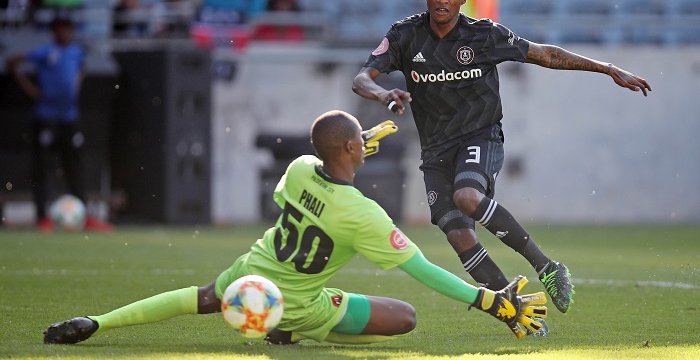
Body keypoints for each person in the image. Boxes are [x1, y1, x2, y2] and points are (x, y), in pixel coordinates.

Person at [42, 110, 548, 346]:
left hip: (254, 269)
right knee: (405, 318)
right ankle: (288, 324)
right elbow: (422, 270)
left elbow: (323, 161)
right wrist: (488, 299)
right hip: (298, 300)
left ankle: (96, 323)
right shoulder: (364, 214)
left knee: (199, 297)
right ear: (353, 151)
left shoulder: (301, 167)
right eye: (358, 143)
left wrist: (355, 140)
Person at [352, 0, 652, 315]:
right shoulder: (405, 35)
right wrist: (383, 94)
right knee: (459, 235)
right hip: (435, 149)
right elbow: (362, 77)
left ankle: (547, 268)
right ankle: (516, 310)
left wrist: (608, 68)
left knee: (467, 196)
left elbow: (545, 54)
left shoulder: (483, 35)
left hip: (480, 135)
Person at [5, 15, 114, 233]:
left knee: (75, 166)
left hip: (69, 117)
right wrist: (32, 91)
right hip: (46, 116)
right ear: (54, 31)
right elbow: (12, 63)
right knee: (43, 166)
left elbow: (81, 67)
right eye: (60, 29)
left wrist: (75, 85)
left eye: (68, 28)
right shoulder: (45, 51)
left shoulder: (76, 51)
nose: (64, 33)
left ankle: (83, 215)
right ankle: (43, 216)